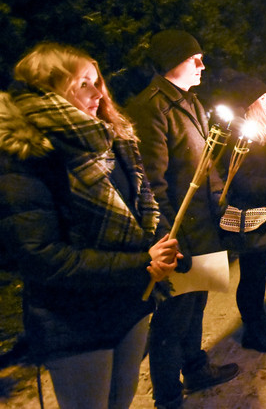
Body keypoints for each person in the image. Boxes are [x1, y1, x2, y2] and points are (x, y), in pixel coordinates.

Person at [0, 43, 180, 409]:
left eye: (97, 82)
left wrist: (166, 243)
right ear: (47, 87)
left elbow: (142, 204)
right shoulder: (27, 151)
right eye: (84, 83)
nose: (99, 93)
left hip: (130, 304)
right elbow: (41, 256)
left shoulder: (112, 139)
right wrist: (141, 264)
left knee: (120, 402)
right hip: (75, 321)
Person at [127, 30, 238, 409]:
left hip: (205, 226)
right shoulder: (151, 108)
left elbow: (208, 162)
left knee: (197, 308)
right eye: (196, 58)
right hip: (179, 233)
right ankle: (168, 397)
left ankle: (195, 368)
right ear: (174, 60)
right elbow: (152, 184)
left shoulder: (192, 101)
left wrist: (221, 203)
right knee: (172, 321)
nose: (203, 65)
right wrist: (169, 238)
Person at [218, 74, 266, 353]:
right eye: (263, 98)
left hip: (263, 212)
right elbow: (243, 183)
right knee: (250, 279)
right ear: (249, 102)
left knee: (258, 277)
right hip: (248, 217)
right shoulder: (239, 136)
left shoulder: (257, 133)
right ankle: (252, 331)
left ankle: (259, 325)